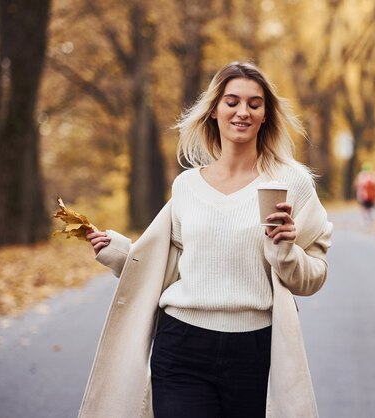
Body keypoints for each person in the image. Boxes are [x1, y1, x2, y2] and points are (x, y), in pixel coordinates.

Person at [79, 62, 333, 418]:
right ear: (214, 110)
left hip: (253, 350)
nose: (242, 112)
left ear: (265, 115)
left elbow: (314, 276)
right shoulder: (187, 186)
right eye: (232, 102)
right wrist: (120, 253)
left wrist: (286, 251)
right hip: (182, 344)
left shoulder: (291, 185)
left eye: (254, 104)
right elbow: (168, 265)